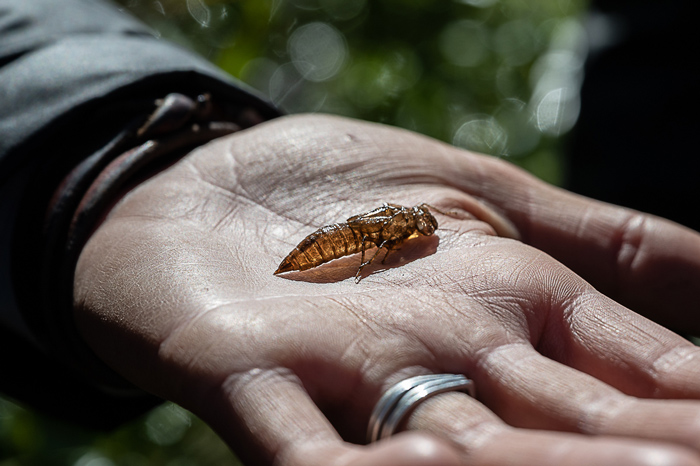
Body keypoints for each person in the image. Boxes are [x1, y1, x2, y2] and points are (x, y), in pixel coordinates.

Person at [3, 1, 700, 465]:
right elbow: (366, 242)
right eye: (420, 234)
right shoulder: (383, 235)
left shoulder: (396, 235)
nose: (424, 235)